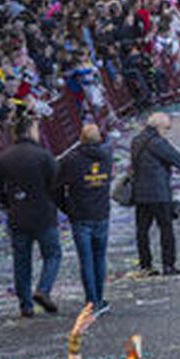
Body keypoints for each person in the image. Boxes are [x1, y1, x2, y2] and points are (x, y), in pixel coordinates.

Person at [0, 113, 62, 317]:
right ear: (31, 131)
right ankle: (43, 288)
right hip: (43, 214)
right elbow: (56, 184)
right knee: (52, 254)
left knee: (21, 260)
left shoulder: (4, 157)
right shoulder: (43, 155)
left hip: (17, 215)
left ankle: (25, 304)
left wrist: (10, 203)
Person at [131, 111, 180, 276]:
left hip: (140, 194)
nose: (166, 132)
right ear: (158, 127)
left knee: (142, 231)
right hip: (158, 193)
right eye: (166, 128)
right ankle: (168, 265)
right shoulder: (157, 143)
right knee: (166, 229)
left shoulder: (136, 141)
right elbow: (177, 159)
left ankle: (146, 265)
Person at [56, 123, 113, 314]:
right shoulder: (107, 157)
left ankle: (92, 300)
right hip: (101, 212)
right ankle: (99, 297)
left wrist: (66, 207)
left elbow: (55, 186)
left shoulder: (70, 160)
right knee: (99, 258)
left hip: (80, 214)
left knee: (86, 259)